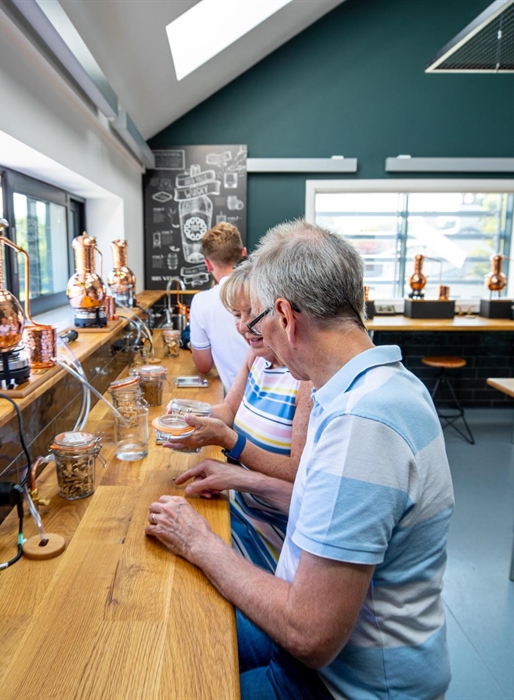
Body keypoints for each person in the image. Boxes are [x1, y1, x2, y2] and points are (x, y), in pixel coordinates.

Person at [147, 220, 454, 700]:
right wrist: (239, 479)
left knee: (177, 673)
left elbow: (310, 636)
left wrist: (200, 542)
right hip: (329, 659)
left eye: (259, 321)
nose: (257, 335)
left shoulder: (362, 426)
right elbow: (323, 503)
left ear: (285, 316)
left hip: (341, 684)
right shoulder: (381, 385)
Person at [165, 261, 312, 573]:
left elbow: (298, 473)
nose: (243, 326)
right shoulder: (257, 358)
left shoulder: (305, 380)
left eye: (251, 314)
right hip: (239, 504)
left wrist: (229, 441)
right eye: (236, 315)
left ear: (278, 312)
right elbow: (229, 411)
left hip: (274, 531)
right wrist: (189, 413)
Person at [189, 222, 250, 390]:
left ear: (207, 264)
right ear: (244, 253)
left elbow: (203, 366)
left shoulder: (201, 303)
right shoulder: (265, 289)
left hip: (239, 404)